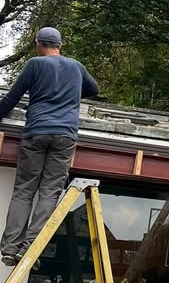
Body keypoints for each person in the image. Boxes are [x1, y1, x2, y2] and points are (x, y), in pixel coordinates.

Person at [0, 27, 99, 266]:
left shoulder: (35, 64)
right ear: (60, 45)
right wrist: (71, 92)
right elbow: (94, 89)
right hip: (65, 135)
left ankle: (11, 247)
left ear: (37, 43)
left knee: (24, 190)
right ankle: (30, 248)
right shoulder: (76, 67)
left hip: (36, 132)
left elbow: (11, 98)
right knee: (50, 191)